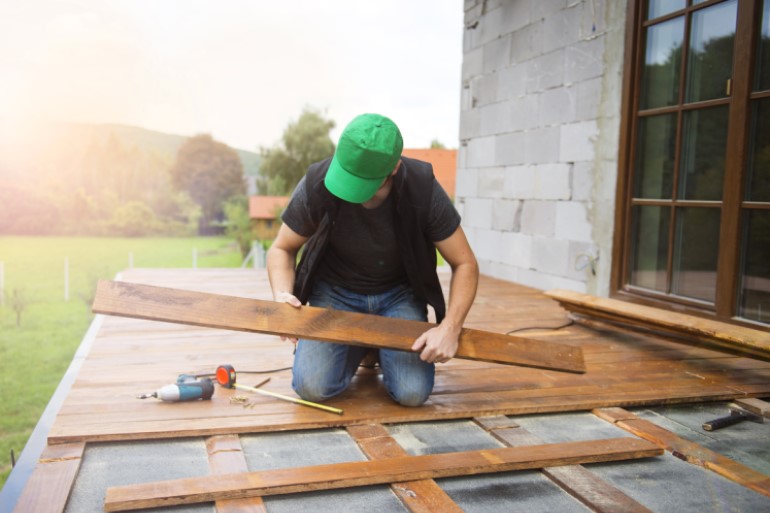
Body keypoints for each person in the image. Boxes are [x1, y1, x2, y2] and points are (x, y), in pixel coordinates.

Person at [267, 113, 478, 407]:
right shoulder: (318, 180)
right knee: (311, 387)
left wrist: (450, 328)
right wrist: (281, 297)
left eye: (362, 183)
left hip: (398, 294)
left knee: (412, 393)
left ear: (394, 168)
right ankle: (366, 345)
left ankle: (371, 346)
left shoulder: (422, 188)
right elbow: (281, 248)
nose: (350, 193)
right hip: (334, 292)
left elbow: (465, 263)